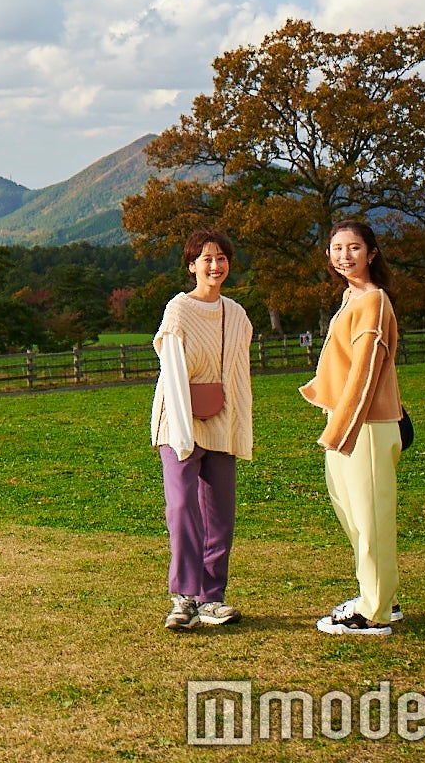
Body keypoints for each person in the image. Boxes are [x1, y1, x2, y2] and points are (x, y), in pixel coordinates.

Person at [302, 218, 404, 636]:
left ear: (372, 253)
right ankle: (382, 595)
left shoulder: (373, 301)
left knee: (371, 518)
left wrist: (341, 430)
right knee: (353, 515)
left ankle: (374, 614)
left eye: (355, 248)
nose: (345, 256)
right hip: (346, 421)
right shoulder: (351, 297)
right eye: (337, 248)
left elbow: (365, 373)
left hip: (365, 426)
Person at [150, 228, 253, 631]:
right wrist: (181, 434)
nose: (215, 265)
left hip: (222, 422)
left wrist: (238, 427)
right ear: (191, 266)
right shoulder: (178, 310)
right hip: (180, 421)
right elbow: (173, 372)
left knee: (219, 514)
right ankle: (184, 598)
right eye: (206, 259)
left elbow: (239, 376)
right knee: (181, 508)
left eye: (221, 258)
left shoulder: (237, 315)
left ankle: (212, 598)